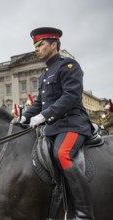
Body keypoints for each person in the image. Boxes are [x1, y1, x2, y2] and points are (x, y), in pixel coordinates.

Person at [18, 27, 95, 219]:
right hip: (53, 128)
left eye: (40, 44)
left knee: (62, 154)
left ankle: (84, 213)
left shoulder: (68, 66)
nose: (36, 49)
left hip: (72, 124)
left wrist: (44, 116)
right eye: (35, 45)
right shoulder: (44, 74)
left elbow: (70, 96)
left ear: (54, 45)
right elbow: (39, 103)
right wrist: (24, 117)